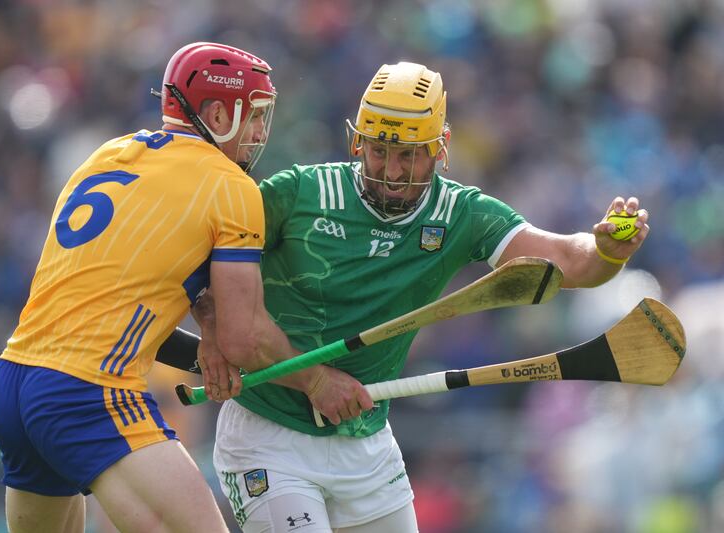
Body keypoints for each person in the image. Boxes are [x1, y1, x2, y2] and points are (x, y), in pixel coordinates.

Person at [192, 61, 650, 533]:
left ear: (440, 148)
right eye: (379, 151)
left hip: (366, 443)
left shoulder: (460, 214)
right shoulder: (297, 194)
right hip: (269, 436)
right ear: (358, 142)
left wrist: (605, 251)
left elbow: (567, 261)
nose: (392, 172)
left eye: (409, 156)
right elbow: (193, 258)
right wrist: (213, 327)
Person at [0, 42, 356, 533]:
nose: (259, 133)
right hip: (88, 388)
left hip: (14, 381)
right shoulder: (230, 185)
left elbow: (118, 297)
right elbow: (245, 338)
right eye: (253, 116)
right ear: (218, 114)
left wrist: (206, 336)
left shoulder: (108, 155)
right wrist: (317, 382)